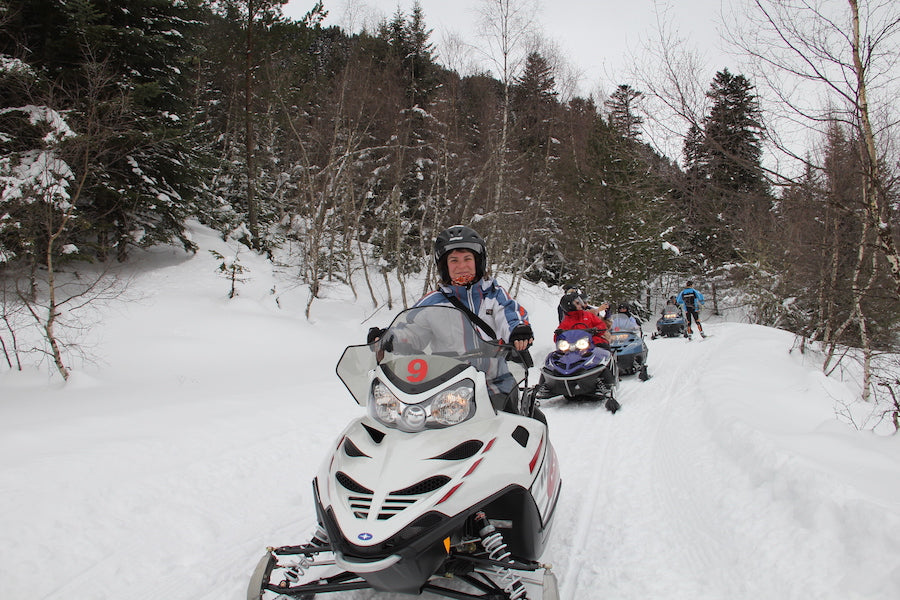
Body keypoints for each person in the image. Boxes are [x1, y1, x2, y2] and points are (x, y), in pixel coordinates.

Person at [368, 225, 535, 414]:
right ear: (445, 267)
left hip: (494, 379)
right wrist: (390, 337)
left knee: (504, 425)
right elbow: (411, 330)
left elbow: (510, 315)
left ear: (478, 262)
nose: (461, 265)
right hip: (445, 384)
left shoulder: (495, 295)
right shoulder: (432, 303)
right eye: (454, 260)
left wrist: (518, 330)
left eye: (467, 259)